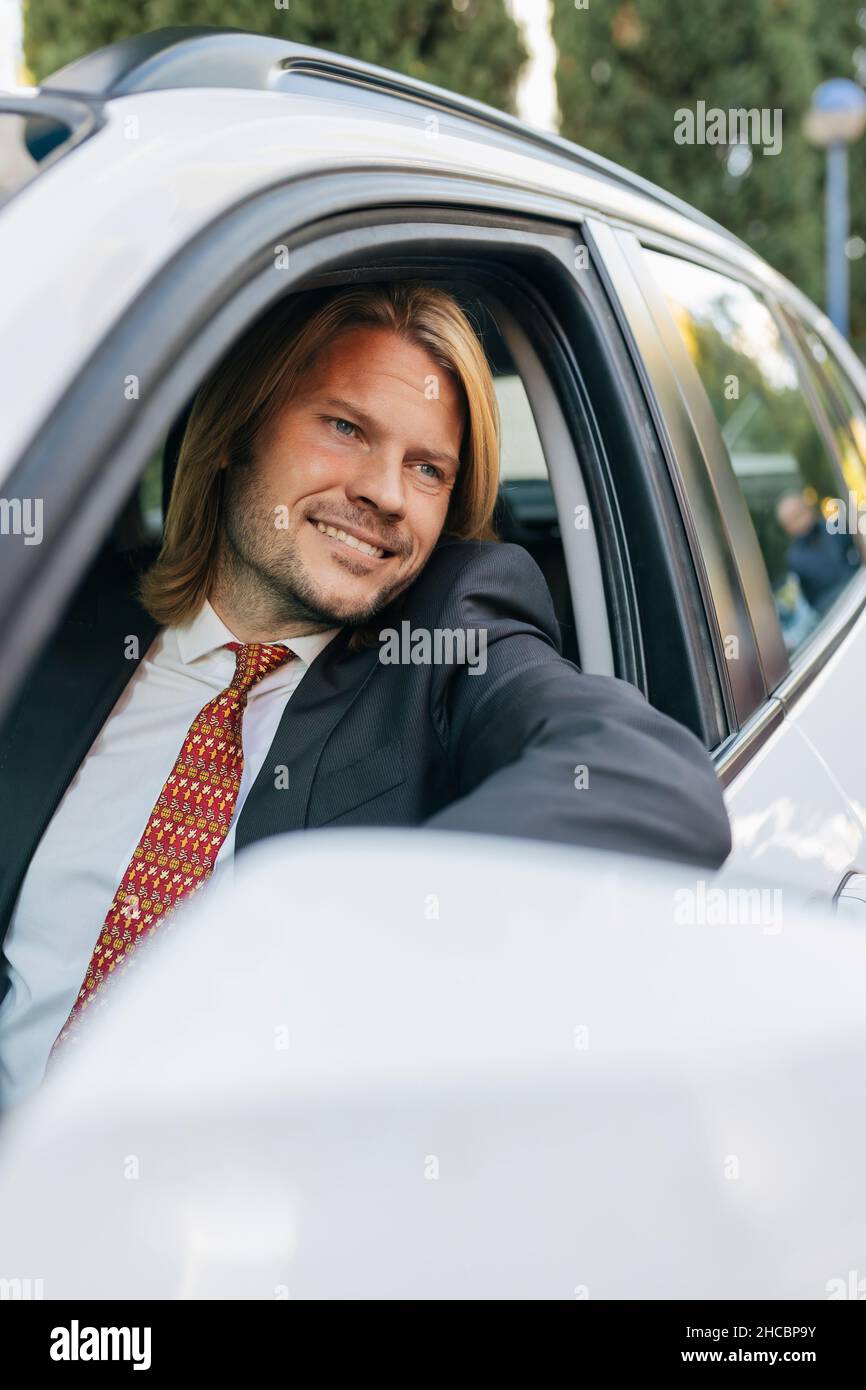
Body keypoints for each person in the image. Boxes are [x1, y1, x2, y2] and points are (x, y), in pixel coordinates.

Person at [0, 282, 731, 1108]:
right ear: (234, 432)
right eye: (346, 428)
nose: (386, 494)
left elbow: (645, 775)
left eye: (428, 469)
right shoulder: (56, 625)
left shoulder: (450, 641)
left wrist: (379, 933)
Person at [775, 491, 859, 617]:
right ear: (787, 527)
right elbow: (815, 603)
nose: (802, 518)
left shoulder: (836, 528)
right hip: (842, 613)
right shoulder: (796, 560)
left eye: (800, 511)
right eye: (794, 517)